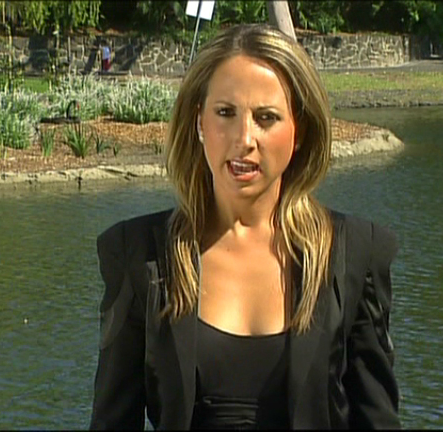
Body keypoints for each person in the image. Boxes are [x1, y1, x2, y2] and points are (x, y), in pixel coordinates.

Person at [89, 23, 401, 430]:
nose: (244, 138)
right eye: (225, 113)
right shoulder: (137, 254)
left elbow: (378, 420)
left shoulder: (356, 254)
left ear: (299, 130)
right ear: (199, 123)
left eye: (266, 118)